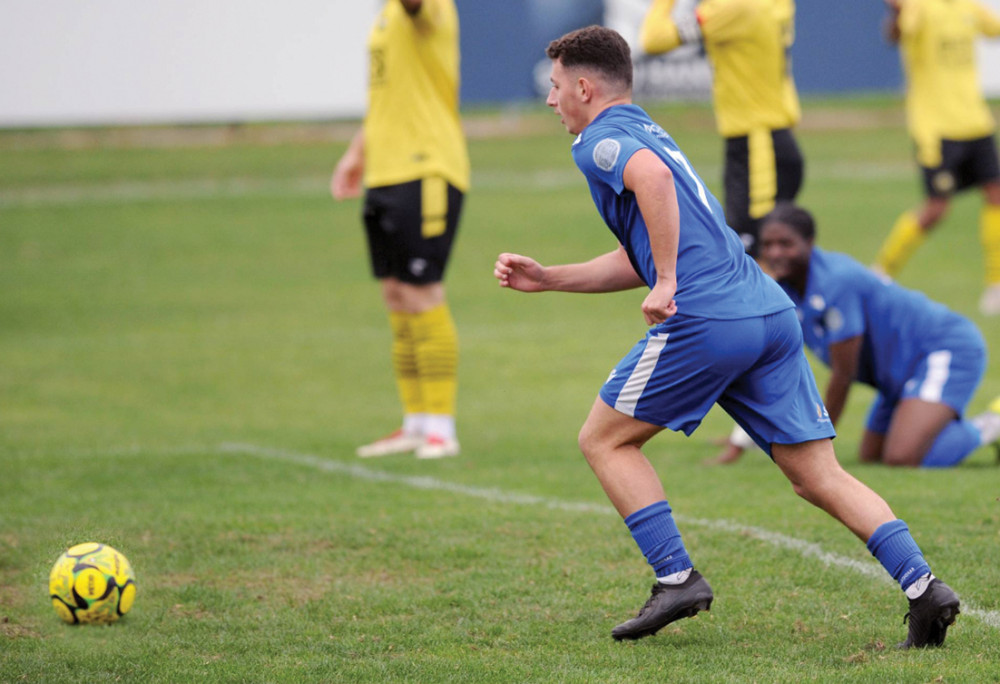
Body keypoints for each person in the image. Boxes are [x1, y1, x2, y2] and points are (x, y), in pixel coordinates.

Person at [494, 25, 960, 647]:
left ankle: (675, 576)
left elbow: (652, 187)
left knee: (604, 441)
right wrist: (551, 278)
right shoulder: (646, 127)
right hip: (766, 313)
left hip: (707, 320)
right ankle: (924, 589)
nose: (551, 100)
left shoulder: (599, 140)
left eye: (555, 87)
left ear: (583, 86)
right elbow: (645, 243)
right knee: (816, 474)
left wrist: (665, 282)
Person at [714, 204, 1000, 467]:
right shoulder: (784, 288)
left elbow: (843, 374)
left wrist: (816, 449)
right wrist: (741, 441)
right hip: (895, 372)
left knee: (902, 457)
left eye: (785, 244)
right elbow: (765, 365)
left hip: (943, 347)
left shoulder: (836, 283)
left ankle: (990, 425)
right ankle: (928, 420)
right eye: (768, 245)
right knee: (871, 456)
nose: (775, 253)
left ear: (810, 243)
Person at [331, 0, 468, 459]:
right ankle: (415, 421)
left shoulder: (427, 8)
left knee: (422, 291)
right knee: (396, 294)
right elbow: (389, 99)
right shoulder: (385, 15)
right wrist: (357, 154)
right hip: (385, 171)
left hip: (425, 167)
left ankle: (441, 429)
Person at [638, 0, 803, 257]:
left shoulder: (732, 7)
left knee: (755, 255)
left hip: (757, 147)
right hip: (771, 137)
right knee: (761, 255)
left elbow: (653, 39)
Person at [873, 0, 1000, 315]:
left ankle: (995, 285)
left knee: (996, 196)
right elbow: (895, 35)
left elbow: (994, 28)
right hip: (936, 129)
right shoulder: (919, 7)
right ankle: (880, 272)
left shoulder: (967, 7)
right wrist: (897, 14)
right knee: (936, 209)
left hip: (976, 121)